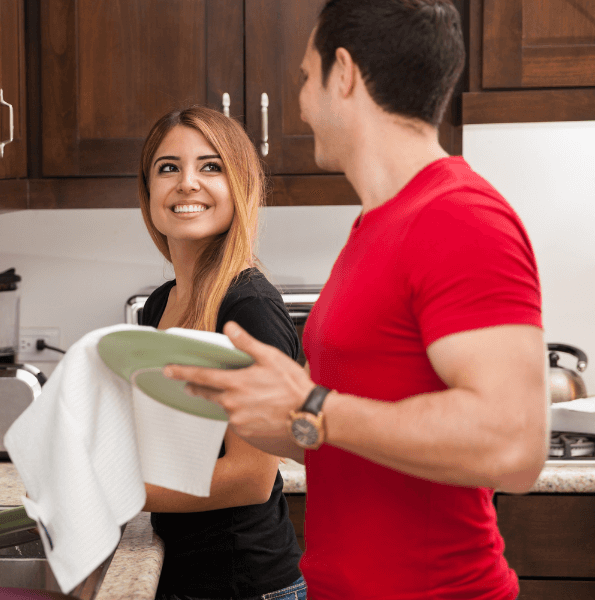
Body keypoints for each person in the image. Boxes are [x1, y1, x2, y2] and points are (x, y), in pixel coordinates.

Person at [162, 2, 549, 599]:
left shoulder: (460, 217)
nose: (300, 104)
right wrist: (255, 407)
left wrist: (313, 405)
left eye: (303, 78)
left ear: (341, 75)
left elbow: (515, 444)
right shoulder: (375, 227)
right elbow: (344, 437)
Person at [136, 105, 307, 600]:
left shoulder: (247, 305)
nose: (187, 182)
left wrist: (112, 494)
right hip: (183, 574)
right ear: (148, 192)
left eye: (210, 167)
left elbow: (251, 478)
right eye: (168, 167)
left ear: (240, 186)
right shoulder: (160, 303)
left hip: (246, 585)